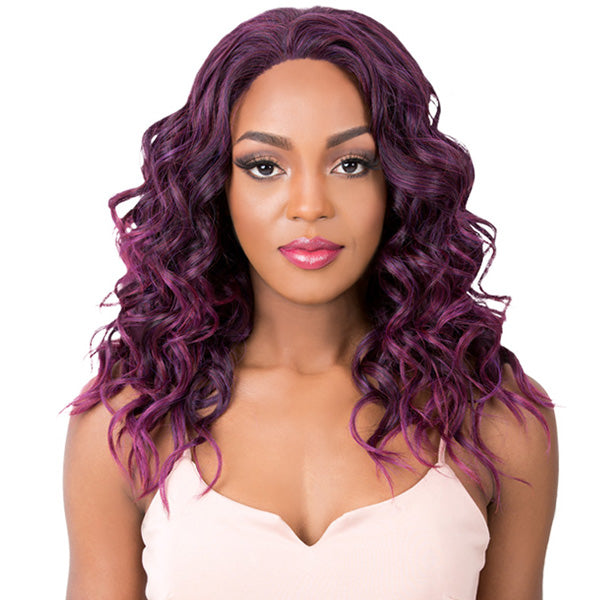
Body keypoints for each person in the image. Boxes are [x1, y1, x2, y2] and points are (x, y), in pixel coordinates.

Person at [62, 6, 558, 600]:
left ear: (398, 180)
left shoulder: (496, 421)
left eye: (350, 164)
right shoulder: (129, 424)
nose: (309, 205)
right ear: (217, 185)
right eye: (265, 166)